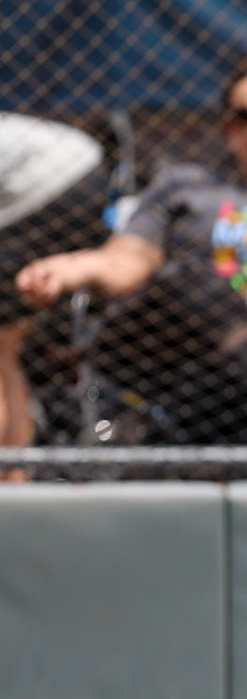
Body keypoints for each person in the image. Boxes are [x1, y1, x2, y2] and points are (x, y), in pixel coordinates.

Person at [14, 52, 247, 443]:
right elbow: (127, 260)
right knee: (194, 276)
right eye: (243, 117)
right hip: (174, 353)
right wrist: (65, 271)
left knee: (205, 284)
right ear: (228, 131)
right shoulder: (188, 188)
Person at [0, 113, 111, 462]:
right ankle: (15, 470)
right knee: (4, 347)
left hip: (58, 185)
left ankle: (10, 468)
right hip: (87, 174)